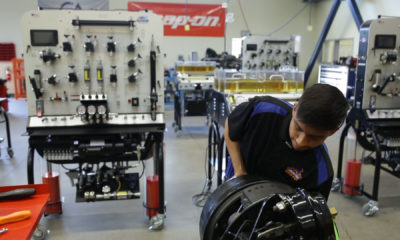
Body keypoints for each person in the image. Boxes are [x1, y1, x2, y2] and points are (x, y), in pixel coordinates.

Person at [224, 84, 349, 199]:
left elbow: (313, 214)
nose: (301, 142)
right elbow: (231, 124)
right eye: (298, 128)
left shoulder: (321, 171)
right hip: (236, 187)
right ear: (294, 109)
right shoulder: (262, 110)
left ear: (332, 132)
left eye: (314, 137)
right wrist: (239, 170)